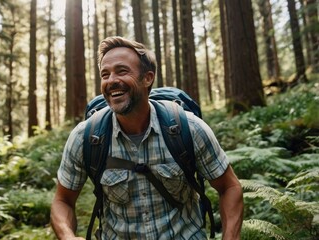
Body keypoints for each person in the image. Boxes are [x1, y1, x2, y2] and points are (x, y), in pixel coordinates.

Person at [51, 36, 243, 239]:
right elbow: (62, 200)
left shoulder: (189, 128)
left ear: (148, 78)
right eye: (105, 74)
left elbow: (229, 187)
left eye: (122, 71)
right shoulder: (86, 138)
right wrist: (67, 236)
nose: (111, 81)